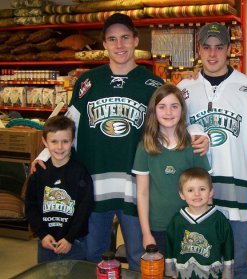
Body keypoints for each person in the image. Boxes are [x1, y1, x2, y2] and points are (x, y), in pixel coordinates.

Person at [31, 13, 165, 270]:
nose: (119, 45)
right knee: (93, 256)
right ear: (104, 44)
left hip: (136, 187)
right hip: (93, 187)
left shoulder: (153, 84)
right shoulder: (87, 82)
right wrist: (44, 156)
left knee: (139, 255)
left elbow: (170, 126)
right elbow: (67, 127)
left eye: (125, 37)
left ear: (136, 40)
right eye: (112, 39)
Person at [178, 22, 247, 279]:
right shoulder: (184, 89)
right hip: (196, 190)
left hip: (237, 189)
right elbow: (170, 132)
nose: (212, 54)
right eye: (206, 47)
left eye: (219, 47)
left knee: (236, 263)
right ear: (198, 50)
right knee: (198, 260)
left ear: (229, 49)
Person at [132, 83, 211, 255]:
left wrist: (206, 225)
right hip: (157, 227)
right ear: (154, 111)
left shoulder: (194, 145)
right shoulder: (145, 147)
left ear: (182, 111)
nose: (168, 112)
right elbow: (142, 193)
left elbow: (207, 191)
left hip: (190, 224)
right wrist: (146, 233)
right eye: (162, 107)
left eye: (174, 106)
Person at [25, 115, 93, 263]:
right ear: (45, 141)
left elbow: (84, 209)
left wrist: (69, 238)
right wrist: (42, 234)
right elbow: (30, 207)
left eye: (65, 141)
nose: (60, 147)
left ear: (72, 141)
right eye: (54, 141)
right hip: (46, 243)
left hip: (74, 243)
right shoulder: (38, 174)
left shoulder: (80, 172)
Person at [165, 167, 234, 279]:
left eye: (202, 189)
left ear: (211, 192)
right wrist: (171, 271)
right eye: (190, 190)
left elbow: (228, 247)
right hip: (182, 275)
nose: (197, 194)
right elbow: (169, 246)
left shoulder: (219, 220)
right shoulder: (177, 220)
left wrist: (227, 274)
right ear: (182, 194)